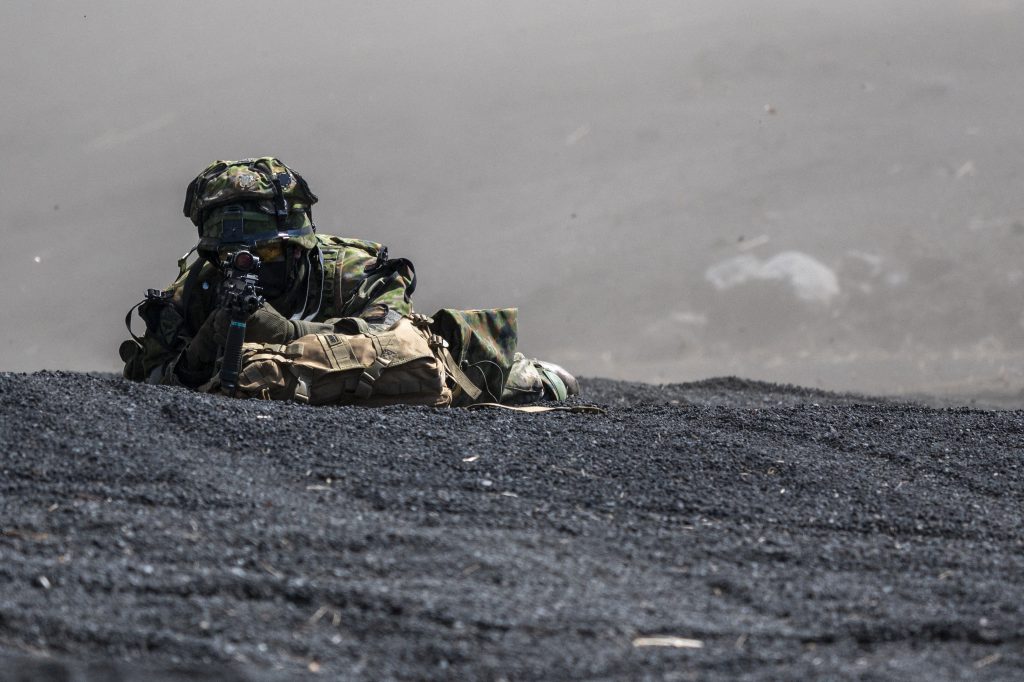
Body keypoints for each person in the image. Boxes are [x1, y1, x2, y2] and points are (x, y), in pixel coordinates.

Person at [119, 157, 578, 405]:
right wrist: (211, 334)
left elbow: (394, 334)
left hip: (370, 382)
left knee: (455, 363)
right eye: (237, 256)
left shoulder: (348, 268)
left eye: (271, 251)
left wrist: (286, 334)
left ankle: (527, 375)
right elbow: (152, 378)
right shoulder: (202, 282)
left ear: (300, 245)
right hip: (277, 389)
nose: (255, 264)